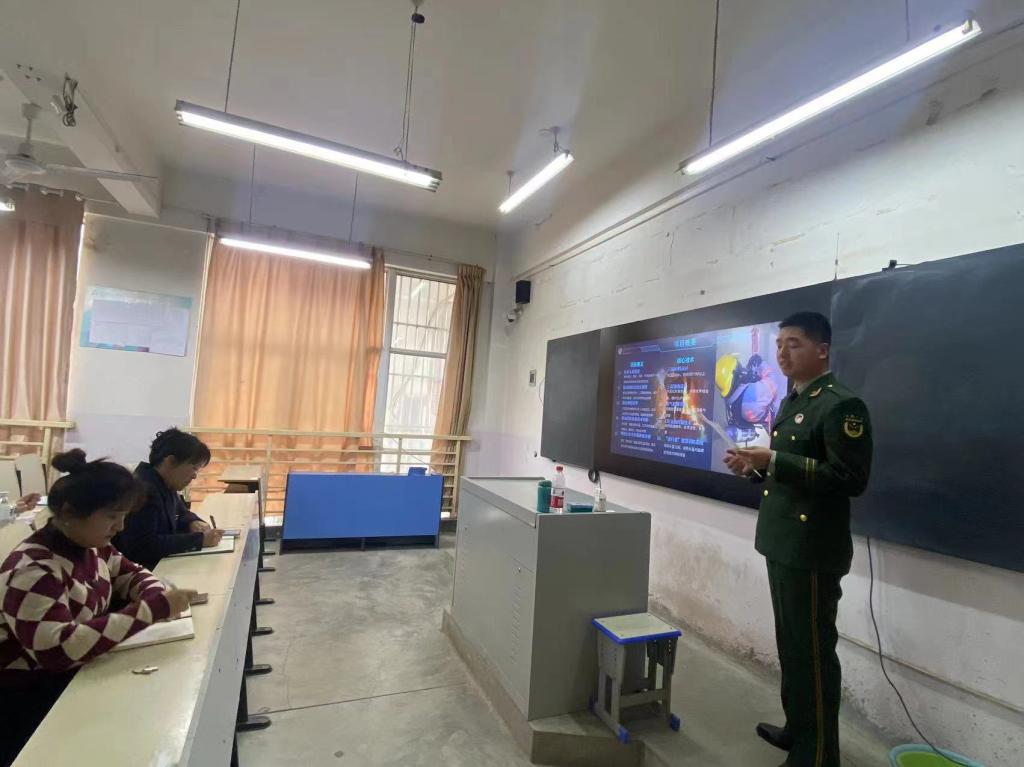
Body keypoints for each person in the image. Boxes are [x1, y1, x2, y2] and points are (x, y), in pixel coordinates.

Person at [723, 312, 873, 767]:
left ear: (821, 350)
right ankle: (798, 729)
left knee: (812, 652)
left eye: (794, 344)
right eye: (779, 344)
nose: (782, 353)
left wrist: (773, 460)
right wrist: (754, 468)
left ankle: (819, 753)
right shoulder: (795, 399)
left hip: (812, 548)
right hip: (783, 540)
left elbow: (849, 478)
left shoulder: (841, 405)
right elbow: (788, 471)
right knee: (791, 645)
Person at [0, 450, 196, 765]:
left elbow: (133, 574)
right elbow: (57, 650)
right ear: (68, 512)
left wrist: (154, 595)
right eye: (111, 516)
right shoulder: (33, 569)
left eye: (124, 516)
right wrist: (151, 610)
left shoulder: (91, 547)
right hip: (28, 704)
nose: (120, 527)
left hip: (74, 679)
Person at [114, 428, 223, 571]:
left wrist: (192, 522)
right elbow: (144, 546)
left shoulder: (165, 483)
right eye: (194, 468)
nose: (194, 476)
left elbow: (181, 512)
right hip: (143, 572)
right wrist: (200, 540)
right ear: (171, 461)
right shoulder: (143, 490)